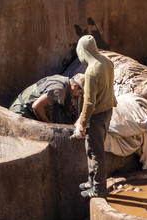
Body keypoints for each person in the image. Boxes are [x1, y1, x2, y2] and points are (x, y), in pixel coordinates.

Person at [72, 35, 117, 198]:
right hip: (108, 111)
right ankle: (92, 182)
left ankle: (99, 189)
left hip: (96, 116)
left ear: (82, 51)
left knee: (96, 153)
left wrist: (82, 123)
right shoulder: (107, 62)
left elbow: (89, 102)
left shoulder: (91, 71)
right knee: (91, 149)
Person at [9, 73, 85, 125]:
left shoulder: (63, 80)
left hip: (24, 109)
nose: (80, 96)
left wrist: (50, 122)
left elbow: (48, 105)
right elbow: (36, 106)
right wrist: (48, 124)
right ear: (74, 86)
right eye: (80, 93)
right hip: (20, 113)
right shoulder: (59, 90)